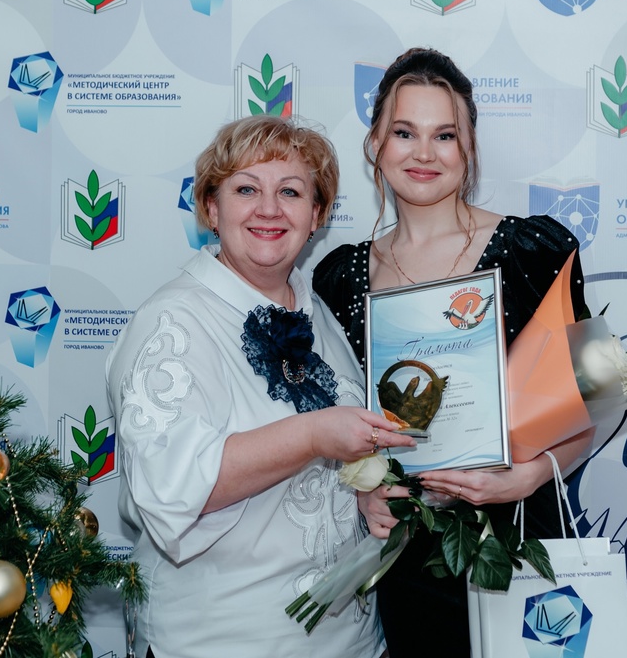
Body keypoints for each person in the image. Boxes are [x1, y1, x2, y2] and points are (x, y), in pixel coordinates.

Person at [312, 48, 592, 657]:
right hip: (407, 559)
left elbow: (592, 404)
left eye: (445, 135)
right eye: (403, 133)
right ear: (375, 143)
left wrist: (526, 478)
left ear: (468, 148)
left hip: (519, 538)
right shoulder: (339, 278)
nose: (424, 153)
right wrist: (363, 493)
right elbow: (336, 424)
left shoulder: (536, 250)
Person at [107, 115, 417, 658]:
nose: (269, 209)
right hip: (220, 643)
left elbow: (330, 467)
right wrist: (312, 436)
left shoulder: (318, 313)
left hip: (350, 641)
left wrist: (362, 493)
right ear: (212, 208)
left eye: (291, 192)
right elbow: (170, 490)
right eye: (246, 189)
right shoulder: (171, 324)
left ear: (316, 215)